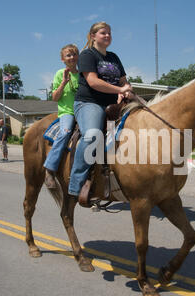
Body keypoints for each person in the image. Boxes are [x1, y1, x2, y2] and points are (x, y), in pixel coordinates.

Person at [68, 22, 132, 201]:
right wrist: (119, 90)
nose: (107, 36)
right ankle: (75, 184)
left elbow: (124, 81)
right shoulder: (87, 55)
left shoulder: (114, 57)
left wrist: (126, 89)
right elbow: (93, 82)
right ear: (93, 35)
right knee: (93, 135)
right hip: (90, 102)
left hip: (113, 104)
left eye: (110, 33)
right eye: (103, 33)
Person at [44, 44, 79, 188]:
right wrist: (64, 82)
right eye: (68, 55)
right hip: (67, 112)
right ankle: (50, 169)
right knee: (65, 133)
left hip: (83, 111)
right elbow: (55, 97)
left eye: (74, 54)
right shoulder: (60, 74)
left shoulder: (83, 74)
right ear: (62, 59)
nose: (71, 57)